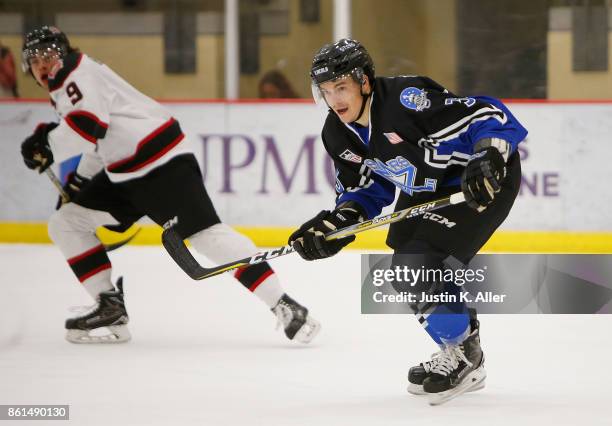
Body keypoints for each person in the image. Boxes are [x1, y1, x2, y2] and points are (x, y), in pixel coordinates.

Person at [19, 25, 320, 344]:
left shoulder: (72, 72)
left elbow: (87, 126)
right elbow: (99, 136)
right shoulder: (70, 81)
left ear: (63, 53)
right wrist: (78, 181)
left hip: (162, 165)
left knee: (208, 237)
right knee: (67, 222)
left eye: (48, 53)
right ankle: (109, 306)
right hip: (126, 173)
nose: (43, 63)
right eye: (34, 58)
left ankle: (283, 303)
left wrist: (47, 145)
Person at [289, 39, 527, 405]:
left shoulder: (406, 98)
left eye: (341, 87)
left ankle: (466, 355)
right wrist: (338, 223)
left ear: (364, 82)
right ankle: (458, 347)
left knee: (415, 265)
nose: (334, 100)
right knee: (404, 272)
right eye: (326, 91)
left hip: (478, 182)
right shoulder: (336, 133)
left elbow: (485, 113)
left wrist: (489, 154)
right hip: (430, 191)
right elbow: (366, 187)